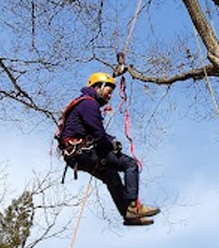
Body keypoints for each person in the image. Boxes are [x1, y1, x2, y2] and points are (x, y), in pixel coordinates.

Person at [57, 72, 160, 226]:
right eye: (109, 91)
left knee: (112, 177)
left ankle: (128, 215)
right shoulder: (89, 104)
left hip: (76, 155)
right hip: (83, 152)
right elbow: (98, 134)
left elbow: (96, 132)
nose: (110, 96)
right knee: (130, 164)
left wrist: (111, 140)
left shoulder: (83, 103)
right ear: (99, 87)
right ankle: (134, 207)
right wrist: (111, 143)